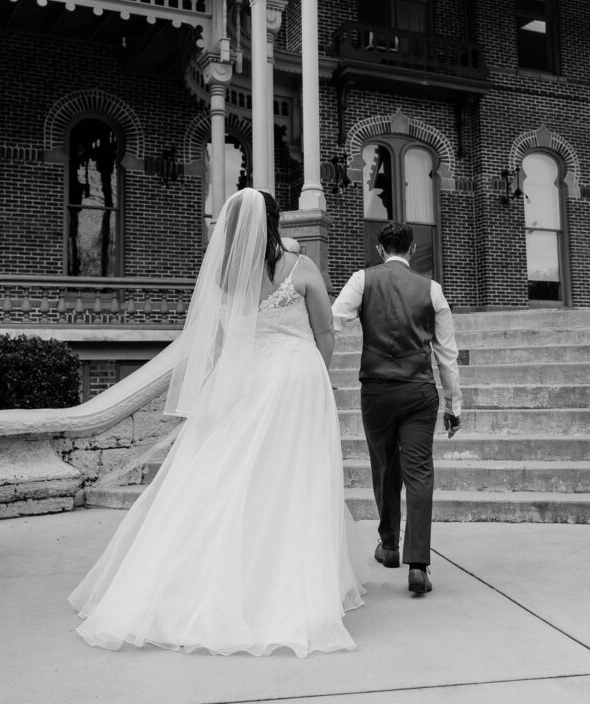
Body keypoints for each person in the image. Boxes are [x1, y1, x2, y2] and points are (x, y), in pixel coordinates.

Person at [69, 187, 369, 655]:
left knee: (229, 477)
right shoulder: (300, 267)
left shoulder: (224, 277)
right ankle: (287, 584)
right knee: (294, 479)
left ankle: (196, 585)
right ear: (275, 223)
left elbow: (215, 343)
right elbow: (325, 330)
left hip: (245, 381)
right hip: (296, 381)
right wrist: (319, 376)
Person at [332, 221, 462, 596]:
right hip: (419, 391)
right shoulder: (432, 289)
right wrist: (455, 405)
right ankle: (418, 564)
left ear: (379, 249)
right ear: (414, 250)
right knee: (419, 473)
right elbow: (447, 355)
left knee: (385, 466)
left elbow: (333, 320)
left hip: (376, 391)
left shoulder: (362, 279)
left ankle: (389, 546)